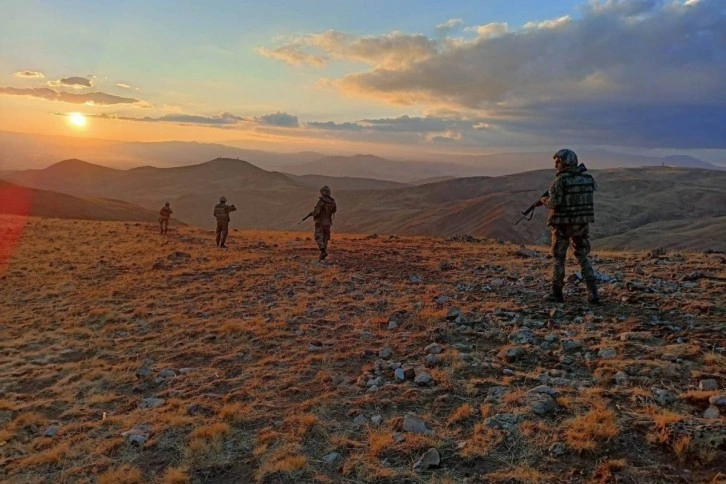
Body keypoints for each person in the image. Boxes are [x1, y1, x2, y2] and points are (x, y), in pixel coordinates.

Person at [537, 149, 600, 304]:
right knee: (582, 256)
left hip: (562, 224)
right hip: (581, 223)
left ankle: (556, 293)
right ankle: (593, 293)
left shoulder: (559, 181)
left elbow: (555, 203)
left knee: (559, 258)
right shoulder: (588, 178)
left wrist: (543, 200)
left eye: (558, 161)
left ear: (564, 162)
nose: (555, 164)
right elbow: (592, 189)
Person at [306, 186, 337, 260]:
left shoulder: (321, 202)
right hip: (328, 223)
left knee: (318, 237)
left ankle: (323, 251)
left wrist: (311, 213)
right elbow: (334, 211)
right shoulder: (332, 202)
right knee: (325, 239)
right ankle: (322, 256)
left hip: (320, 223)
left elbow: (316, 213)